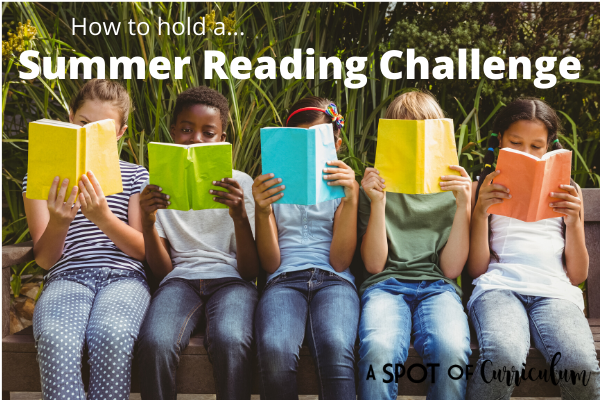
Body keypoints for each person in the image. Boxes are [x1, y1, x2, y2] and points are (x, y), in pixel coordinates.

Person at [24, 79, 150, 399]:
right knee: (55, 337)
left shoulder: (136, 175)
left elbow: (142, 250)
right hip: (67, 275)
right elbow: (44, 259)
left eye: (104, 128)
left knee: (112, 334)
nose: (90, 131)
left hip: (124, 277)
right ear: (71, 118)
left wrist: (103, 218)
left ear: (119, 133)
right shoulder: (40, 177)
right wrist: (59, 221)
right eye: (84, 123)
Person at [466, 98, 600, 400]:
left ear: (549, 146)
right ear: (500, 139)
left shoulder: (568, 191)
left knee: (580, 365)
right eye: (515, 143)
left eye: (536, 146)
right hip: (498, 288)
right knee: (502, 357)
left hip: (554, 292)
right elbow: (476, 269)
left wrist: (574, 221)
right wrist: (480, 213)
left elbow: (576, 274)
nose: (525, 153)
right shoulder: (482, 188)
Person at [136, 86, 260, 400]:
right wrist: (149, 222)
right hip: (179, 281)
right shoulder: (155, 186)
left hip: (231, 282)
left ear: (222, 138)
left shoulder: (240, 183)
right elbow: (163, 270)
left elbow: (249, 271)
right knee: (155, 342)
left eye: (208, 132)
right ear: (173, 132)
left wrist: (239, 216)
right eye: (187, 130)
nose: (196, 139)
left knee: (232, 340)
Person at [357, 91, 472, 400]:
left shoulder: (452, 188)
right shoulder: (375, 186)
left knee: (451, 350)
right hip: (385, 285)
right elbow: (373, 265)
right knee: (378, 350)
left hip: (438, 287)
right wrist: (378, 203)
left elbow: (450, 269)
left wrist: (464, 206)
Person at [252, 97, 360, 400]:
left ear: (335, 143)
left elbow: (340, 262)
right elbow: (271, 264)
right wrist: (262, 212)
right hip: (283, 280)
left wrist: (351, 200)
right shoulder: (272, 188)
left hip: (335, 280)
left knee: (336, 346)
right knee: (275, 351)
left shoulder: (344, 190)